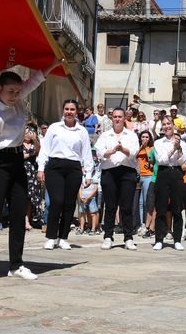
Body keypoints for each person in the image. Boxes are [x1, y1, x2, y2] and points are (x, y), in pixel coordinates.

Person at [0, 59, 61, 284]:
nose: (15, 95)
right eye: (10, 91)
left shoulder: (16, 101)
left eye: (18, 91)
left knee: (19, 214)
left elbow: (32, 82)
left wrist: (51, 65)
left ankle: (16, 265)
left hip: (17, 160)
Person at [38, 99, 94, 251]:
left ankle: (63, 238)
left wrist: (88, 174)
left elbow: (86, 153)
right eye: (67, 109)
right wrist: (41, 168)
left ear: (76, 112)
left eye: (72, 109)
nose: (69, 112)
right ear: (63, 111)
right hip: (55, 167)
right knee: (56, 201)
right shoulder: (54, 128)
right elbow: (45, 149)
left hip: (74, 168)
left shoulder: (81, 131)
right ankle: (51, 237)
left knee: (69, 204)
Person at [95, 107, 139, 250]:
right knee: (110, 206)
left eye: (120, 116)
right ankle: (108, 236)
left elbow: (134, 152)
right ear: (112, 118)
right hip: (109, 172)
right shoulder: (105, 135)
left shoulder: (131, 135)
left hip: (127, 172)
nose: (118, 119)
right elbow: (99, 153)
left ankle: (128, 238)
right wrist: (112, 151)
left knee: (126, 207)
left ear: (124, 118)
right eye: (115, 117)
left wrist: (122, 149)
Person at [152, 116, 186, 250]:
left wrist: (179, 148)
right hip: (163, 173)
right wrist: (173, 148)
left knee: (177, 207)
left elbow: (182, 161)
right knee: (160, 207)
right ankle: (159, 239)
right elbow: (161, 160)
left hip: (176, 173)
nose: (166, 126)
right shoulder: (159, 143)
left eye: (169, 124)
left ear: (173, 126)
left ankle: (177, 239)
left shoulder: (182, 143)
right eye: (164, 124)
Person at [21, 124, 43, 230]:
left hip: (32, 172)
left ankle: (27, 220)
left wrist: (35, 140)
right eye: (26, 133)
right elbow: (21, 156)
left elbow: (39, 151)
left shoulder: (34, 144)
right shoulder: (19, 144)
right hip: (21, 171)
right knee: (21, 197)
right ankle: (20, 219)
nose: (28, 135)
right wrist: (31, 154)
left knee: (30, 198)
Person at [136, 130, 156, 237]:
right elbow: (134, 156)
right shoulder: (137, 147)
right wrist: (140, 147)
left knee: (146, 201)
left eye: (147, 137)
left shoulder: (151, 149)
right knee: (139, 203)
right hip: (138, 176)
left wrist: (145, 149)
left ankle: (147, 224)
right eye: (143, 137)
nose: (144, 139)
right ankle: (141, 224)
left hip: (148, 176)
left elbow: (151, 159)